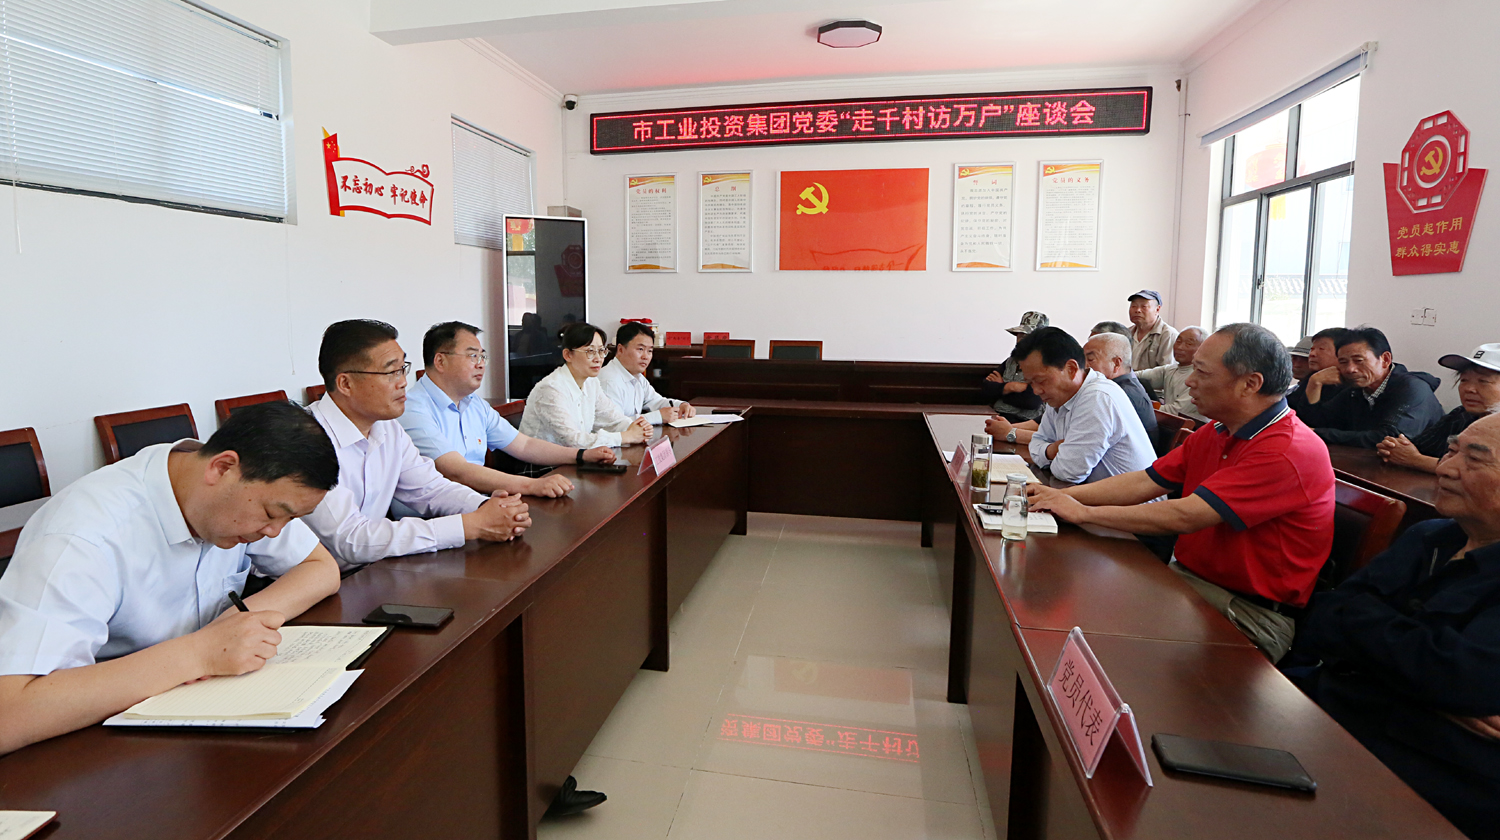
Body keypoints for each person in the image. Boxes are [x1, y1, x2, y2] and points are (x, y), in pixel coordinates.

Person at [0, 401, 343, 755]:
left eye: (289, 519)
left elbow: (320, 568)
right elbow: (9, 713)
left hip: (192, 713)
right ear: (222, 467)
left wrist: (235, 625)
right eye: (272, 514)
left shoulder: (226, 490)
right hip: (98, 742)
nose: (275, 532)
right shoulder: (83, 537)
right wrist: (199, 653)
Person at [1026, 323, 1335, 661]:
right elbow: (1146, 481)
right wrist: (1064, 497)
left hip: (1245, 612)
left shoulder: (1287, 449)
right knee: (1073, 607)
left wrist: (1083, 512)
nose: (1189, 381)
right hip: (1187, 581)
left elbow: (1186, 515)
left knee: (1102, 639)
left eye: (1201, 372)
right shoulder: (1218, 431)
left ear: (1250, 384)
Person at [1284, 413, 1500, 839]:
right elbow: (1324, 615)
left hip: (1422, 772)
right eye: (1450, 451)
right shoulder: (1430, 537)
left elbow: (1462, 680)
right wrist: (1417, 672)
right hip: (1327, 710)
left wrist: (1362, 634)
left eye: (1474, 459)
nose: (1445, 468)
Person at [303, 319, 532, 569]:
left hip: (373, 569)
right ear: (346, 384)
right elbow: (352, 539)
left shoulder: (388, 427)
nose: (403, 382)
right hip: (318, 581)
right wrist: (470, 525)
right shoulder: (307, 440)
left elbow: (429, 488)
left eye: (403, 368)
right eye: (391, 372)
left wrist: (486, 507)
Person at [400, 321, 618, 498]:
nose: (481, 364)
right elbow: (457, 471)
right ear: (440, 361)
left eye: (482, 356)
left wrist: (582, 455)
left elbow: (523, 445)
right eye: (472, 356)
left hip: (478, 502)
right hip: (434, 519)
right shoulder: (413, 409)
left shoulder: (474, 404)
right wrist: (532, 485)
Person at [987, 326, 1154, 484]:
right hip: (1091, 495)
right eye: (1030, 383)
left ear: (1071, 369)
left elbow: (1068, 471)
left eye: (1041, 381)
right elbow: (1037, 444)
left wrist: (1051, 453)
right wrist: (1051, 450)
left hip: (1130, 503)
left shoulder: (1097, 398)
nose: (1036, 391)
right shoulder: (1060, 396)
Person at [1297, 326, 1444, 449]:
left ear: (1385, 359)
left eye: (1359, 360)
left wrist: (1317, 432)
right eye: (1343, 362)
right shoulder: (1356, 390)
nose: (1350, 369)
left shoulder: (1413, 388)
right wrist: (1314, 383)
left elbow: (1388, 438)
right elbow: (1317, 421)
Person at [519, 323, 652, 449]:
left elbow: (612, 419)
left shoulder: (591, 382)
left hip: (576, 458)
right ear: (568, 355)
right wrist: (625, 437)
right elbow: (573, 441)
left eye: (601, 351)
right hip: (544, 463)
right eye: (590, 351)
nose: (598, 358)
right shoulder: (550, 389)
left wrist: (637, 427)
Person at [1377, 342, 1500, 474]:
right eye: (1464, 380)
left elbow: (1484, 474)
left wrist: (1417, 460)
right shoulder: (1461, 415)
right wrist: (1393, 447)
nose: (1469, 389)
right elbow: (1417, 446)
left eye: (1483, 381)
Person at [598, 322, 697, 424]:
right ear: (620, 349)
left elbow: (655, 401)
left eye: (649, 351)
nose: (645, 356)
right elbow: (614, 424)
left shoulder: (637, 377)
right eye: (640, 349)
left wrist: (681, 406)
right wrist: (657, 416)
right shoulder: (608, 381)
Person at [1083, 331, 1158, 440]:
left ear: (1116, 363)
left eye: (1090, 360)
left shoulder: (1120, 393)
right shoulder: (1115, 385)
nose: (1084, 366)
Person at [980, 311, 1047, 424]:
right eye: (1020, 336)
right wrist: (1011, 386)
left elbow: (1031, 401)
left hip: (1026, 423)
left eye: (1028, 337)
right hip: (998, 416)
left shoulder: (1046, 365)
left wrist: (1001, 388)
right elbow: (987, 389)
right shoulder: (1010, 361)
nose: (1022, 340)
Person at [1137, 326, 1208, 422]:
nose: (1180, 347)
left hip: (1193, 427)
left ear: (1203, 348)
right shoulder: (1170, 369)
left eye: (1189, 343)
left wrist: (1140, 407)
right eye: (1178, 341)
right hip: (1169, 422)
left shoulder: (1201, 376)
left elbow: (1175, 411)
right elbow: (1137, 376)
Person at [1287, 327, 1348, 415]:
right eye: (1312, 349)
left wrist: (1315, 383)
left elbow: (1311, 418)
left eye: (1321, 349)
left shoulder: (1351, 386)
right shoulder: (1311, 377)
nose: (1312, 354)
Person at [1126, 290, 1180, 371]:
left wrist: (1135, 376)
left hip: (1150, 380)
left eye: (1144, 306)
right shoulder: (1126, 333)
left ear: (1157, 309)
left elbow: (1166, 371)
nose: (1137, 310)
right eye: (1134, 306)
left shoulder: (1168, 334)